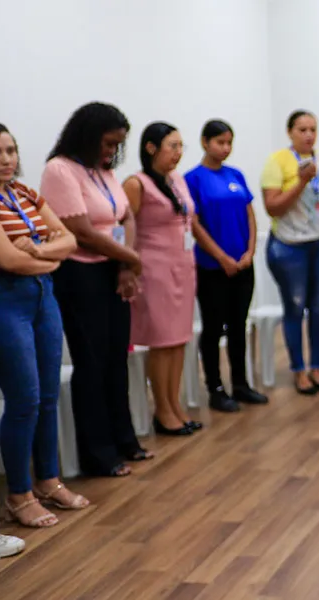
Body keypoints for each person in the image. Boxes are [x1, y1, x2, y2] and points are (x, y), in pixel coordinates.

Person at [40, 102, 152, 478]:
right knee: (92, 362)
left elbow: (127, 216)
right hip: (80, 276)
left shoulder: (102, 171)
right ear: (87, 135)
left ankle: (125, 440)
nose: (111, 151)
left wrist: (125, 264)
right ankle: (98, 454)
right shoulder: (59, 170)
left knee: (116, 358)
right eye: (107, 143)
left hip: (112, 272)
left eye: (117, 145)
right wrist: (132, 260)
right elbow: (82, 232)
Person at [0, 122, 86, 530]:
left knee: (48, 396)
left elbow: (70, 240)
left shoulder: (26, 194)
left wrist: (41, 251)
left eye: (10, 150)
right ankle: (18, 494)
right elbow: (7, 261)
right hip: (4, 300)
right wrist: (49, 259)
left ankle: (47, 481)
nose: (7, 159)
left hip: (43, 297)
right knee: (24, 399)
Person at [122, 123, 200, 435]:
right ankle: (162, 410)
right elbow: (125, 228)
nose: (178, 153)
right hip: (153, 270)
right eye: (172, 146)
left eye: (181, 146)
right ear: (151, 148)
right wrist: (126, 266)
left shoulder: (177, 180)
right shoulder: (136, 183)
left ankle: (176, 405)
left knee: (179, 340)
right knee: (161, 341)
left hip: (183, 266)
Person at [185, 120, 268, 412]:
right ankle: (216, 389)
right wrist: (221, 257)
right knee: (213, 328)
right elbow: (193, 224)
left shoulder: (236, 175)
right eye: (220, 142)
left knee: (238, 326)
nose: (226, 148)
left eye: (229, 142)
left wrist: (249, 252)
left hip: (243, 265)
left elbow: (250, 215)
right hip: (212, 268)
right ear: (205, 142)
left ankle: (241, 384)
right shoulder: (193, 179)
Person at [262, 110, 319, 395]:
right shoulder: (277, 161)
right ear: (290, 133)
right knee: (295, 307)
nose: (309, 135)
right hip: (289, 246)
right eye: (302, 129)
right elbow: (273, 207)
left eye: (313, 129)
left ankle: (317, 367)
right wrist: (300, 182)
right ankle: (298, 369)